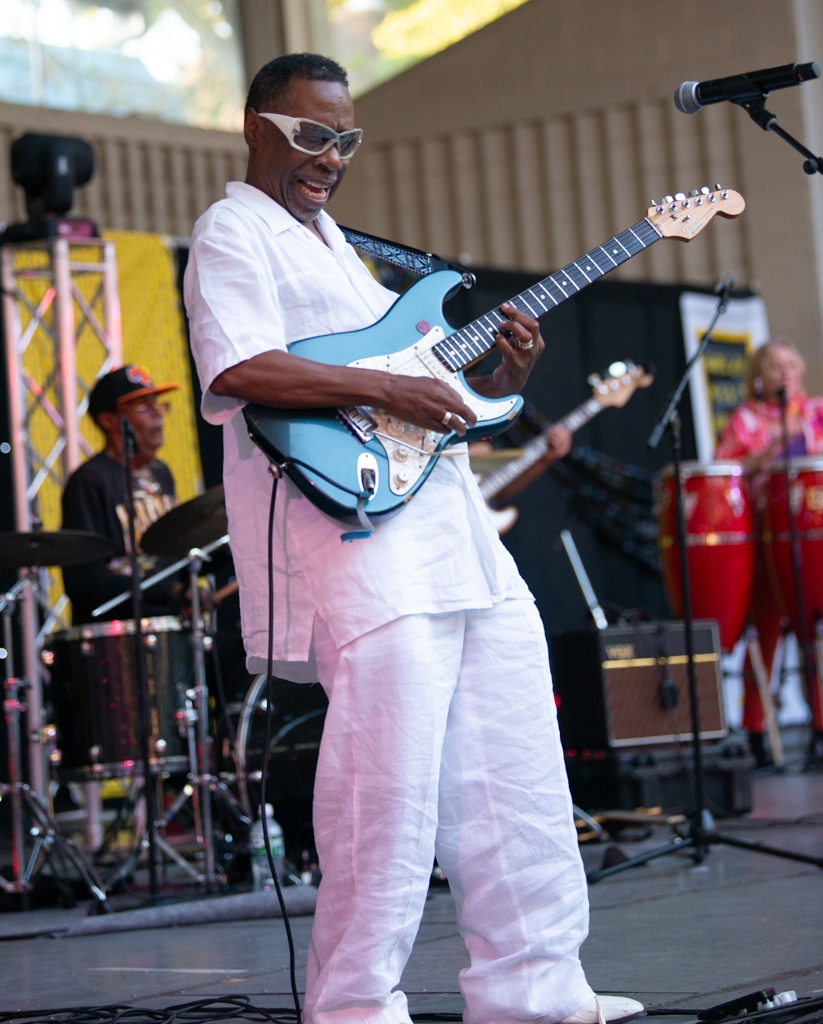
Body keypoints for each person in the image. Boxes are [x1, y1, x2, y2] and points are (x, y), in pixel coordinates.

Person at [184, 53, 644, 1024]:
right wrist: (389, 385)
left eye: (345, 140)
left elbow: (420, 402)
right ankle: (353, 1006)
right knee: (385, 788)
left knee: (515, 765)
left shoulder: (340, 249)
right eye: (313, 135)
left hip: (454, 533)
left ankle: (535, 986)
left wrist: (500, 380)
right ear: (256, 127)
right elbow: (239, 367)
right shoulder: (233, 230)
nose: (331, 157)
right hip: (359, 544)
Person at [716, 338, 823, 761]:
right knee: (765, 632)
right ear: (760, 375)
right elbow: (726, 468)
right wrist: (775, 445)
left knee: (814, 631)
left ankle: (819, 724)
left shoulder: (814, 412)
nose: (785, 374)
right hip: (765, 536)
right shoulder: (745, 419)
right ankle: (756, 729)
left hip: (811, 537)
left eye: (790, 365)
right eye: (775, 366)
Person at [61, 365, 181, 625]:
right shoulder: (90, 480)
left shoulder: (162, 474)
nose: (157, 414)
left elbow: (173, 557)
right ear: (109, 420)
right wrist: (168, 590)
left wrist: (188, 590)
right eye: (142, 406)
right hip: (117, 632)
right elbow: (84, 581)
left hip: (168, 625)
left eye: (157, 404)